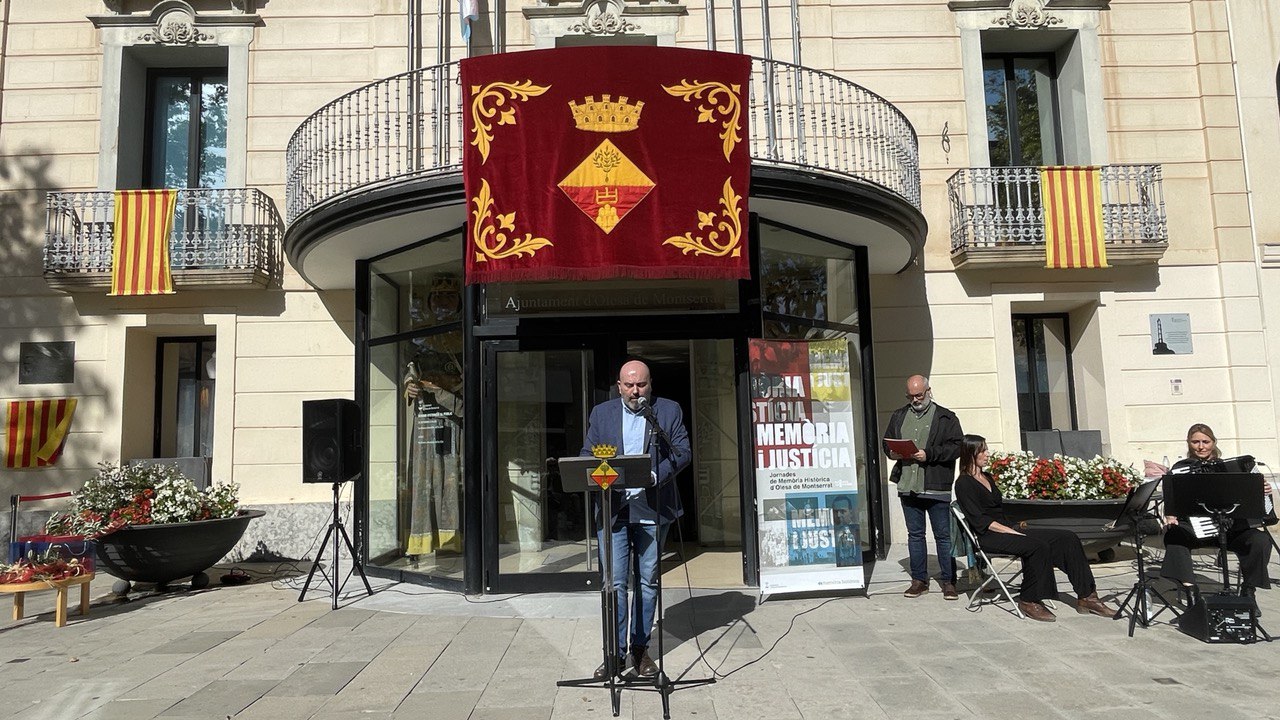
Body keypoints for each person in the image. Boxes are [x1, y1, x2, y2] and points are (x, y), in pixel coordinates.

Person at [581, 360, 691, 680]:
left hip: (653, 510)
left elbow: (682, 451)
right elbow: (588, 452)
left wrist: (657, 475)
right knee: (615, 584)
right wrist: (599, 472)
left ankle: (640, 650)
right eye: (629, 385)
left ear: (650, 385)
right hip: (614, 509)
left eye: (640, 385)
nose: (635, 391)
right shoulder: (602, 414)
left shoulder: (667, 411)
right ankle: (614, 653)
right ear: (619, 386)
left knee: (647, 581)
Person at [954, 434, 1118, 622]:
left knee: (1067, 538)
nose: (987, 454)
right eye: (982, 450)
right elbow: (980, 521)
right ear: (970, 454)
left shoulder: (987, 477)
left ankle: (1088, 597)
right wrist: (1012, 532)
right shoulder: (964, 483)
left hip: (1006, 529)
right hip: (988, 536)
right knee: (1037, 545)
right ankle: (1029, 599)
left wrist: (1016, 528)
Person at [1161, 423, 1273, 608]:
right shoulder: (1181, 469)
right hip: (1195, 529)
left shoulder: (1233, 468)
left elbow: (1251, 503)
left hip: (1230, 529)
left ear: (1213, 442)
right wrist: (1170, 516)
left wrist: (1262, 491)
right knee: (1174, 537)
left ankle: (1248, 591)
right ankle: (1191, 592)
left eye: (1205, 441)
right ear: (1189, 443)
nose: (1201, 446)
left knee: (1260, 541)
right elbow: (1173, 502)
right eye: (1195, 441)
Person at [882, 375, 962, 599]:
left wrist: (929, 454)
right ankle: (919, 580)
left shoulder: (946, 417)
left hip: (936, 486)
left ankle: (949, 581)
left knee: (943, 536)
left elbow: (956, 447)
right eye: (911, 396)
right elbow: (886, 442)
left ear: (929, 391)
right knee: (915, 535)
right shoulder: (899, 415)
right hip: (908, 485)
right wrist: (892, 452)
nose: (915, 399)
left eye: (919, 395)